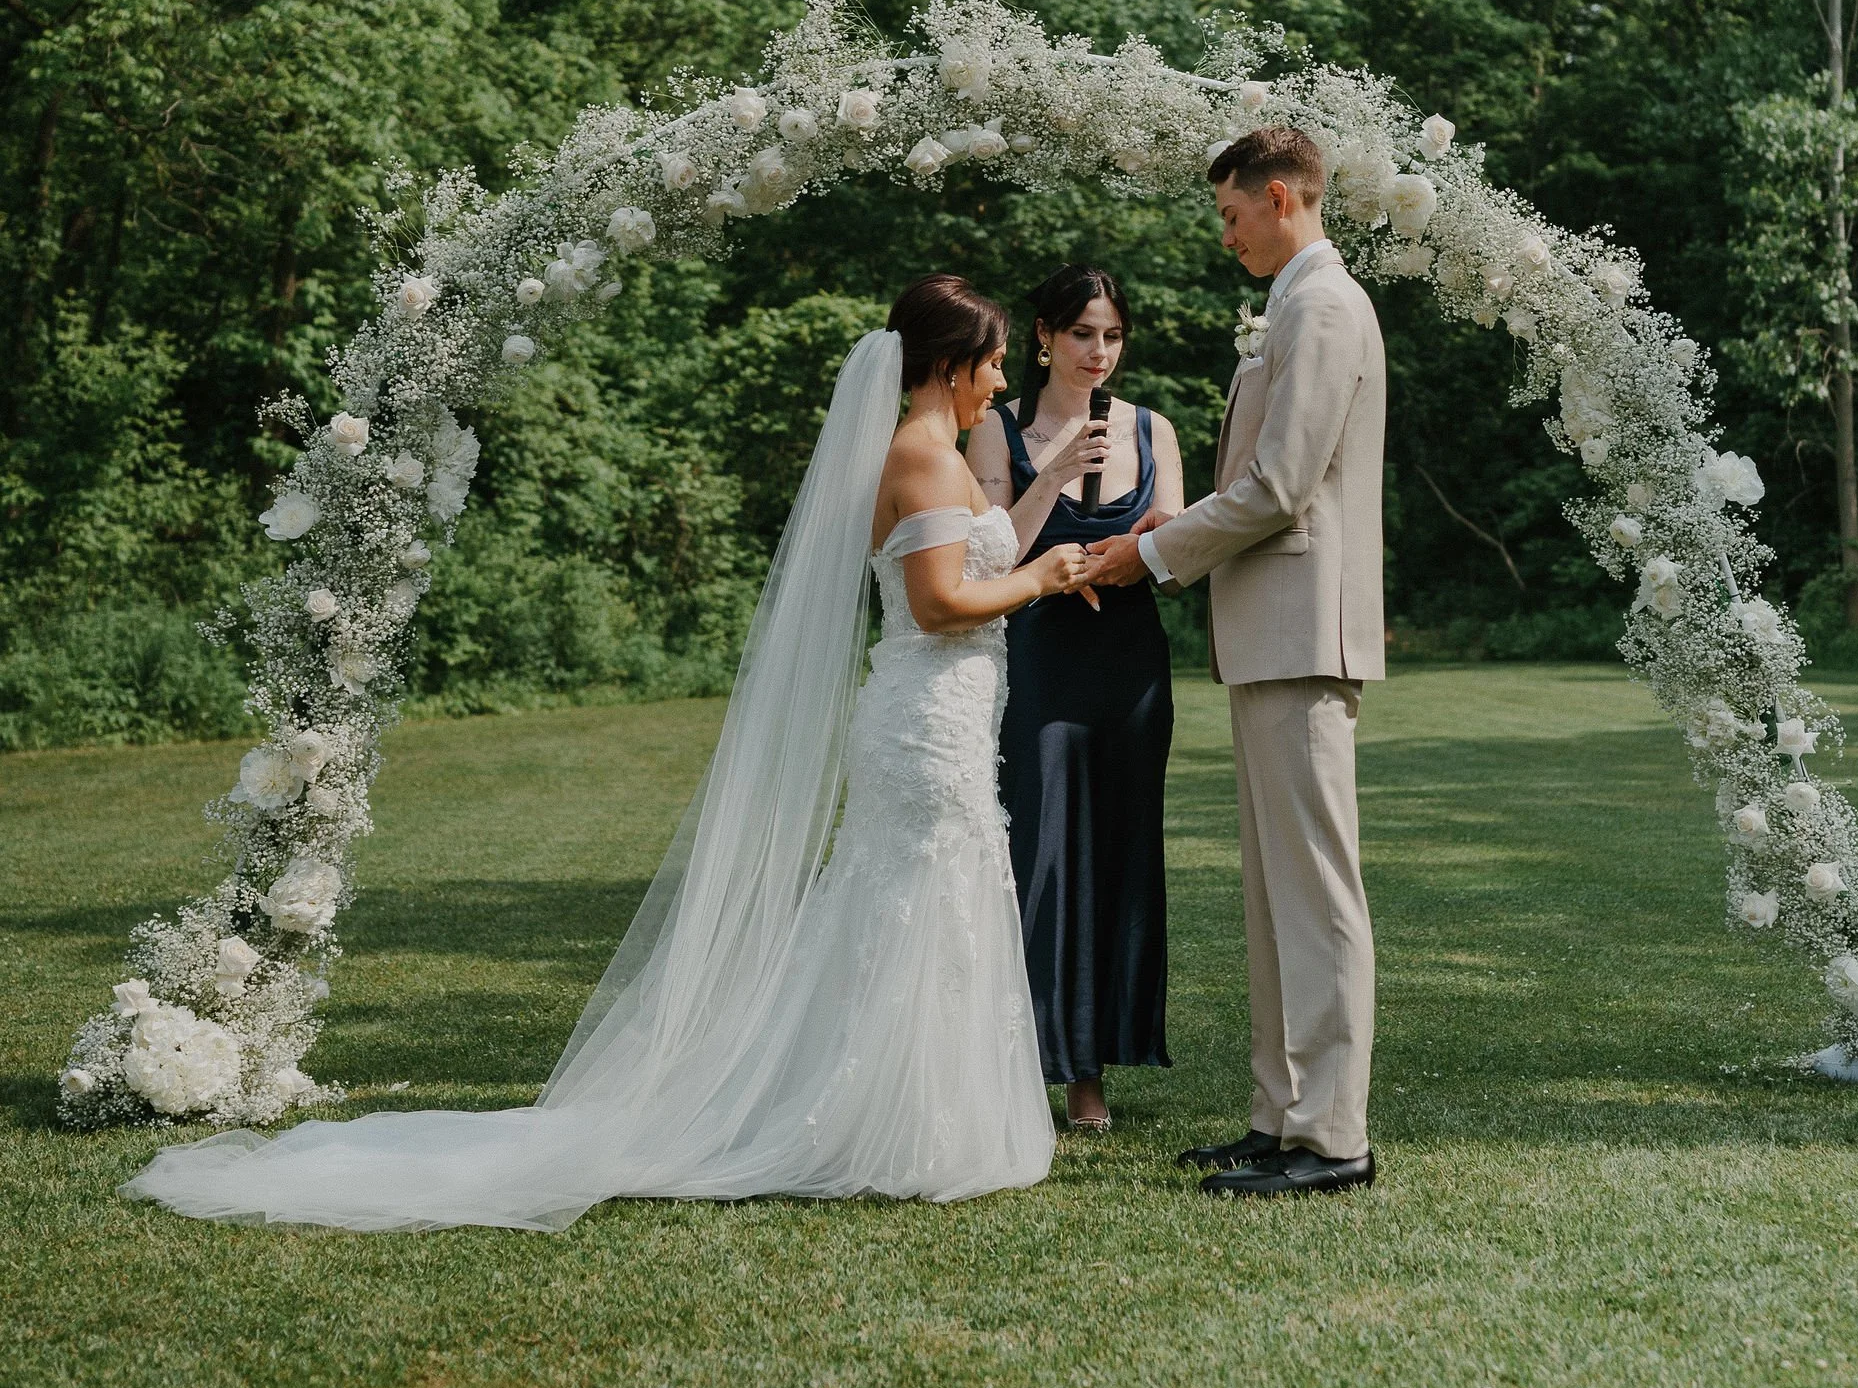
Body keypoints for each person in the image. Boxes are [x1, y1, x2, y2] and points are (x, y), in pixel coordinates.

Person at [124, 276, 1093, 1231]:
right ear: (947, 362)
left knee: (932, 900)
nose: (1003, 380)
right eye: (994, 360)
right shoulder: (920, 459)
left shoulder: (947, 454)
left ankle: (913, 1111)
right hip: (921, 724)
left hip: (951, 718)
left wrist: (1048, 503)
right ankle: (882, 1122)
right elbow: (935, 605)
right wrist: (1043, 582)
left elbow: (987, 551)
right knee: (914, 898)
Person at [1090, 129, 1385, 1198]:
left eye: (1228, 216)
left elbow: (1277, 488)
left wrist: (1152, 550)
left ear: (1277, 197)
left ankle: (1332, 1138)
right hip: (1267, 633)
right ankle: (1279, 1116)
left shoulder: (1320, 305)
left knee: (1314, 894)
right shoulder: (1295, 305)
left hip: (1305, 635)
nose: (1224, 237)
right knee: (1272, 896)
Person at [966, 266, 1185, 1131]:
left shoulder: (1154, 427)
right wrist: (1051, 475)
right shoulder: (996, 431)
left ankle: (1092, 1072)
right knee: (1041, 856)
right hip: (1040, 658)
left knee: (1118, 857)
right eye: (1084, 334)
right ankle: (1018, 1063)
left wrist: (1130, 552)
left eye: (1113, 336)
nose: (1100, 353)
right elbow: (990, 557)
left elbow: (1166, 543)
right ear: (1046, 337)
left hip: (1129, 661)